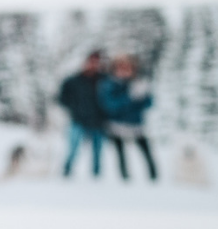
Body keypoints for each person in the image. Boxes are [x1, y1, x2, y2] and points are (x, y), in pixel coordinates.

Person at [101, 54, 158, 182]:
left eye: (128, 68)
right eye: (121, 68)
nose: (124, 71)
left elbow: (149, 104)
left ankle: (154, 178)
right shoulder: (109, 84)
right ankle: (124, 179)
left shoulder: (138, 83)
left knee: (146, 152)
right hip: (117, 125)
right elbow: (110, 105)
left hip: (136, 125)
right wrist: (130, 97)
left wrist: (144, 95)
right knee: (121, 155)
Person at [56, 51, 108, 179]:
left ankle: (96, 176)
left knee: (97, 152)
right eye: (91, 62)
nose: (93, 65)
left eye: (96, 62)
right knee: (73, 148)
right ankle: (66, 171)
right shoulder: (73, 80)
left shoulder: (105, 80)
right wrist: (74, 107)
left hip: (98, 122)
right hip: (78, 120)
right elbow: (61, 97)